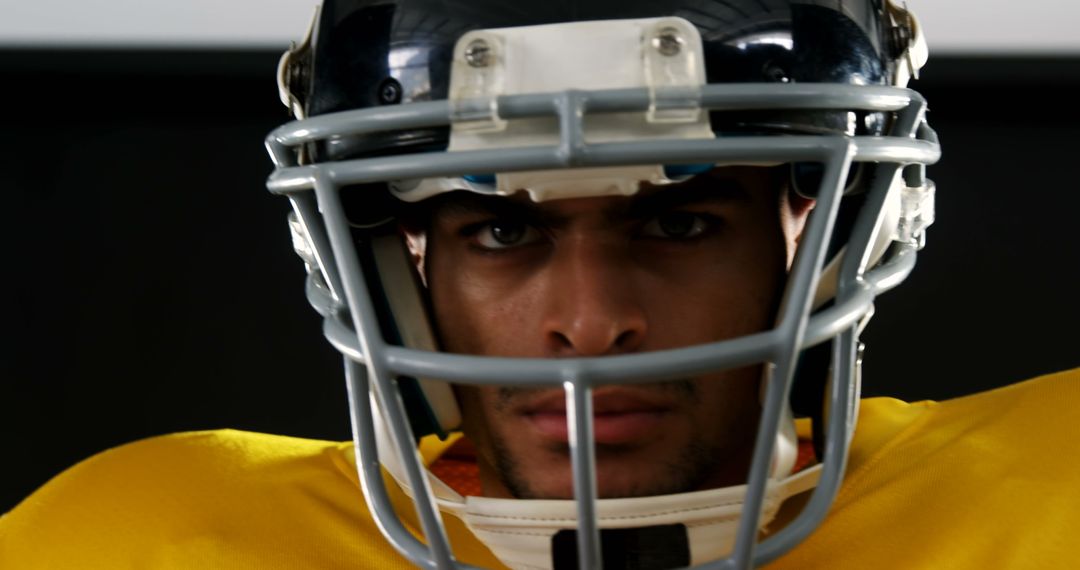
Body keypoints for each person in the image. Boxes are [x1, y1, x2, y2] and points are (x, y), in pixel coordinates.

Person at [3, 0, 1078, 568]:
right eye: (502, 230)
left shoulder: (1050, 502)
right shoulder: (142, 547)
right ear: (399, 265)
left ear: (823, 236)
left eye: (679, 220)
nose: (590, 320)